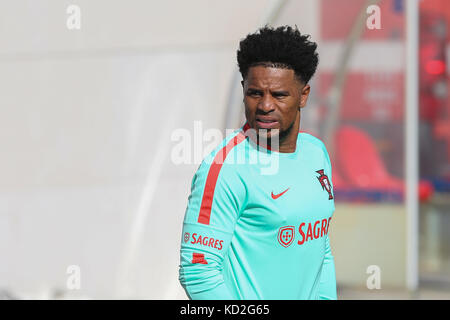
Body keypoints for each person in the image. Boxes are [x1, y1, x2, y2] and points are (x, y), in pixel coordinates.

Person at [178, 25, 337, 300]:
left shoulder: (316, 153)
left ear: (303, 95)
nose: (265, 105)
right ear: (243, 90)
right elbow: (197, 271)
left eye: (279, 95)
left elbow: (320, 249)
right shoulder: (225, 170)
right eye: (255, 93)